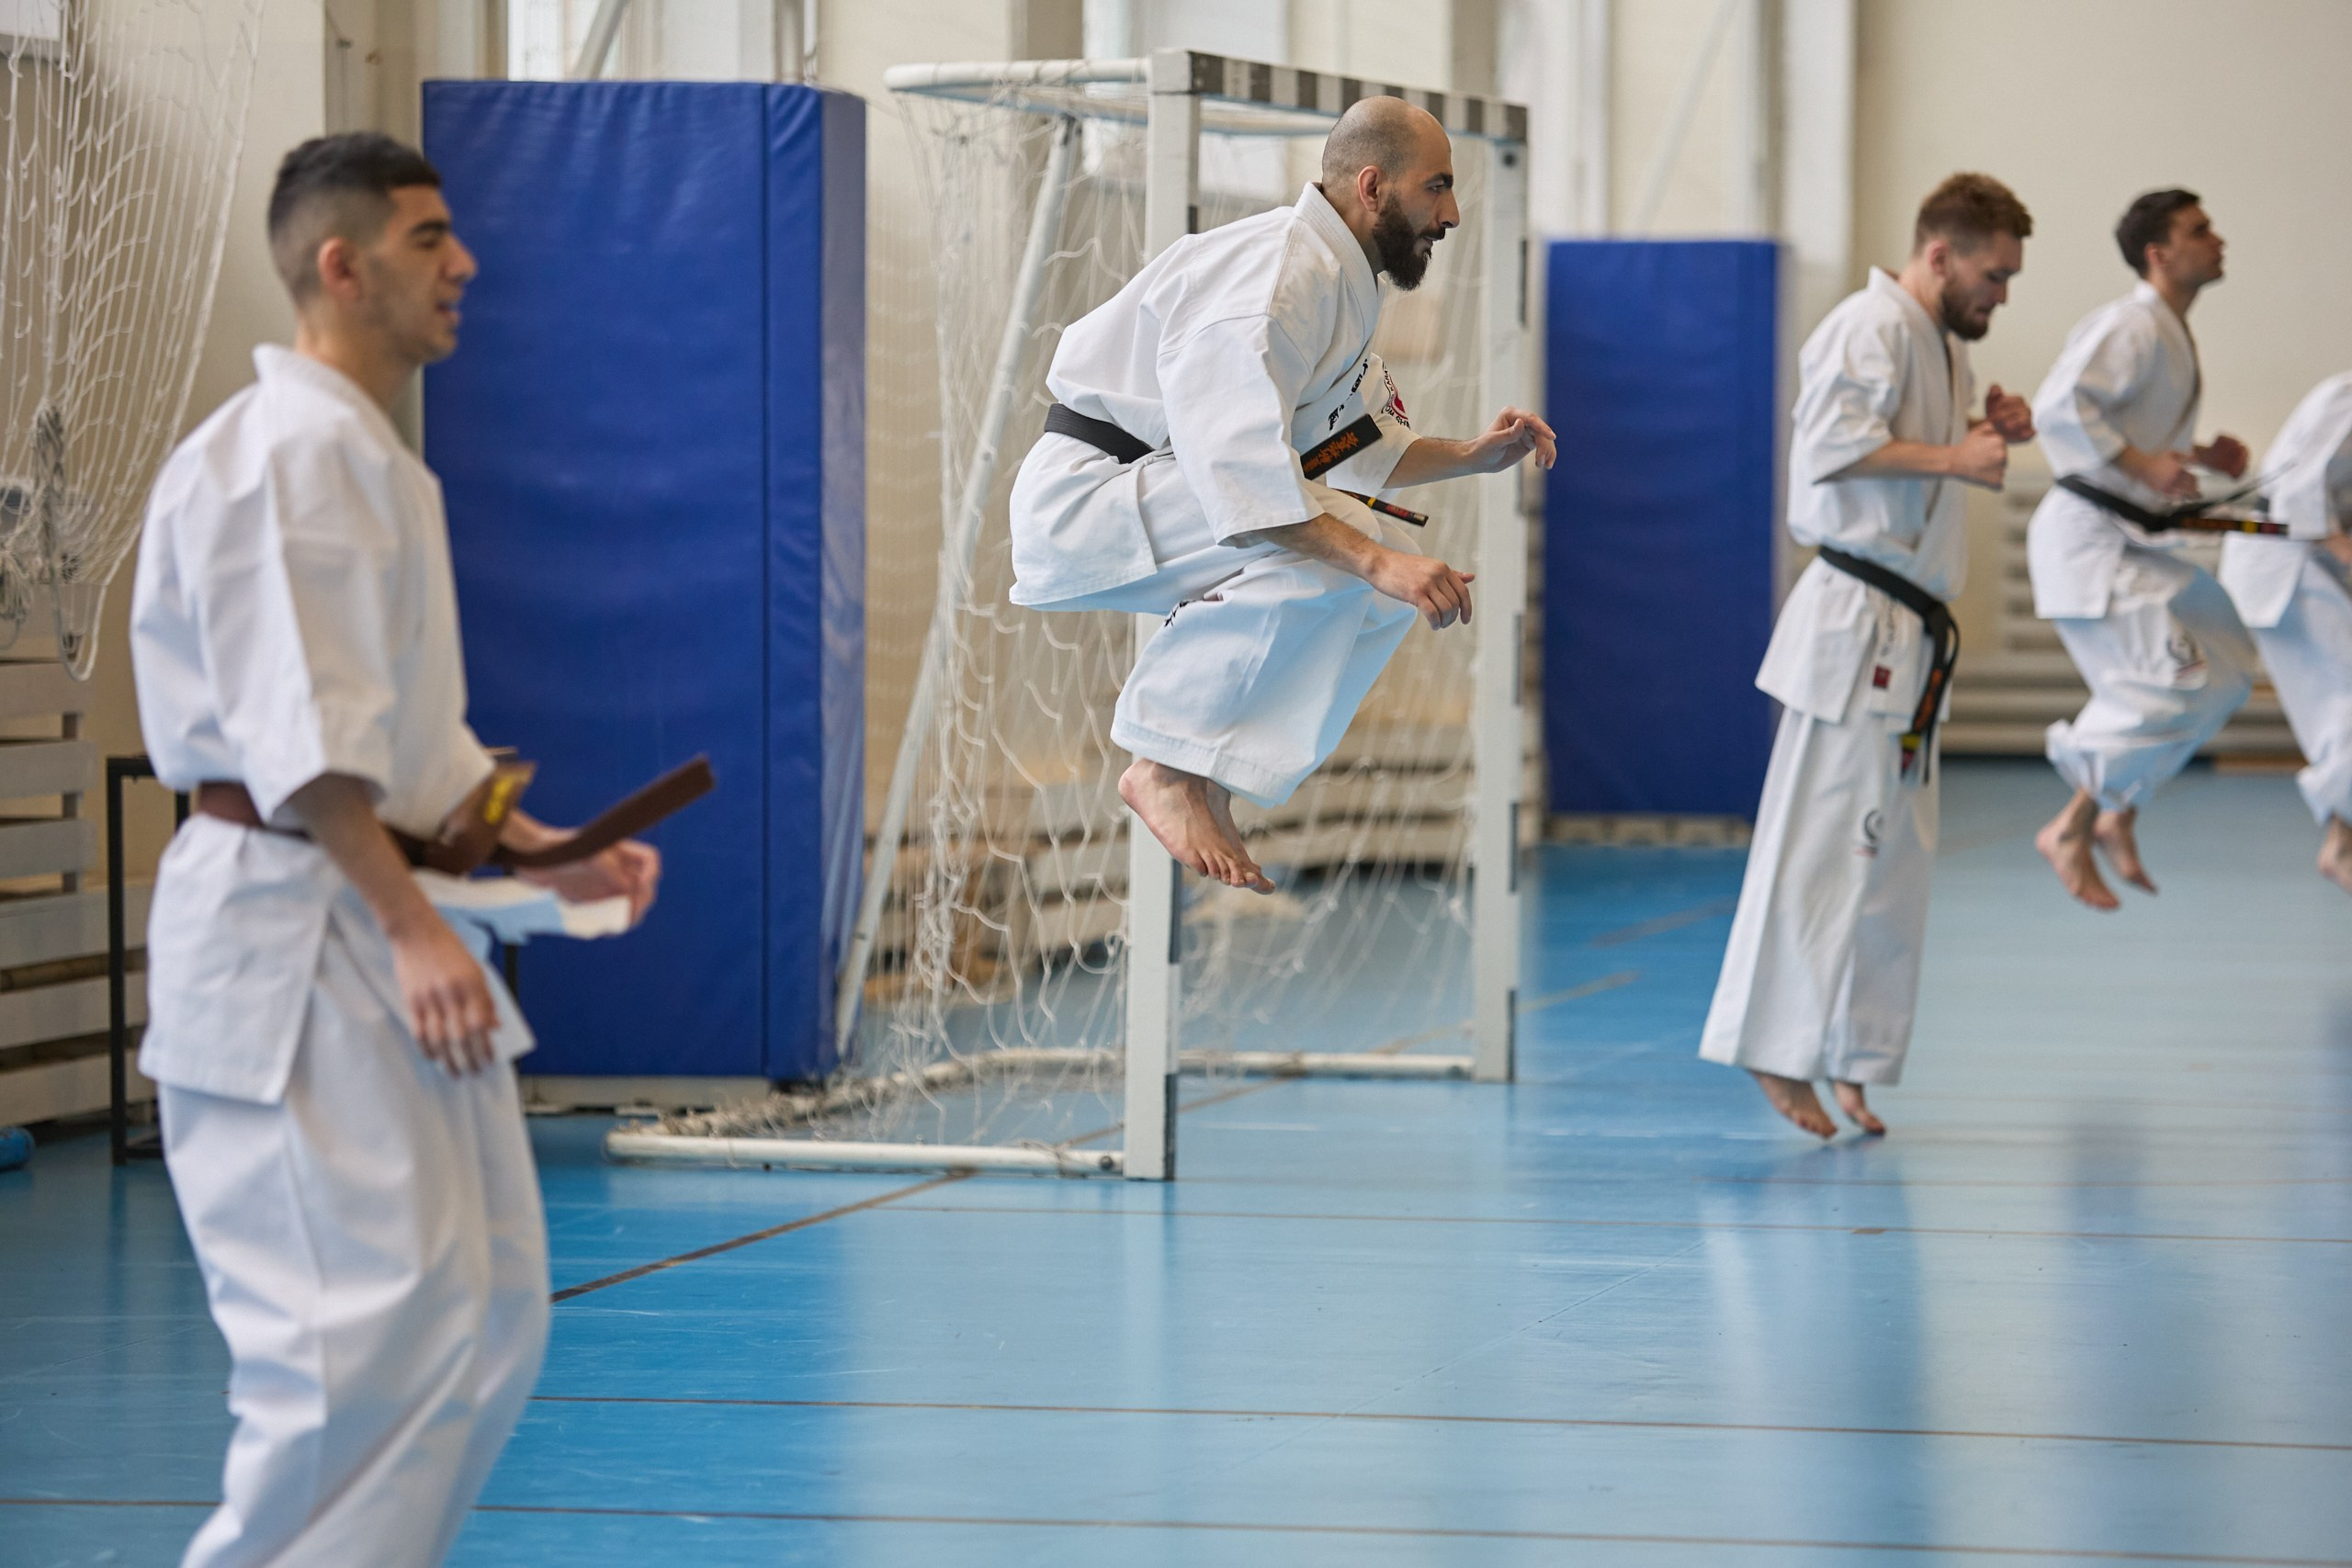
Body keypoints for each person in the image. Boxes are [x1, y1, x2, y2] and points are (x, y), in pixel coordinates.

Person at [131, 133, 662, 1568]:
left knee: (480, 1315)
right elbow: (302, 755)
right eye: (431, 239)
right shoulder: (285, 460)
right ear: (340, 263)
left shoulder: (368, 460)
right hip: (298, 943)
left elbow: (401, 745)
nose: (465, 262)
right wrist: (423, 925)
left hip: (378, 915)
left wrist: (537, 851)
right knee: (343, 1350)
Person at [1007, 96, 1555, 892]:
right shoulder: (1276, 277)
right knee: (1362, 560)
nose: (1453, 213)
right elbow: (1241, 479)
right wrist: (1375, 560)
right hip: (1094, 495)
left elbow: (1355, 446)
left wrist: (1475, 455)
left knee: (1374, 577)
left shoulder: (1341, 282)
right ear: (1372, 186)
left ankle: (1209, 772)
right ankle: (1163, 765)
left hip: (1160, 494)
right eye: (1436, 187)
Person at [1701, 174, 2036, 1138]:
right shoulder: (1869, 326)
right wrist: (1955, 458)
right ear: (1939, 254)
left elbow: (1920, 454)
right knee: (1820, 847)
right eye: (1994, 274)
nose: (2001, 295)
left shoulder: (1935, 341)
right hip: (1856, 627)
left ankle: (1854, 1054)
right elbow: (1828, 453)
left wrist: (1984, 433)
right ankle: (1774, 1047)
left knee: (1891, 861)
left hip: (1909, 635)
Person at [2029, 189, 2259, 908]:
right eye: (2199, 230)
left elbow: (2128, 428)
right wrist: (2143, 464)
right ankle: (2073, 825)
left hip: (2125, 543)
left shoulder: (2168, 331)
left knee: (2225, 664)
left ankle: (2120, 807)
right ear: (2158, 254)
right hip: (2087, 544)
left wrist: (2196, 454)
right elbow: (2060, 406)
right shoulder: (2131, 323)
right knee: (2168, 680)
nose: (2217, 239)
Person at [2217, 373, 2352, 893]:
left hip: (2316, 565)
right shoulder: (2344, 397)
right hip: (2282, 560)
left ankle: (2343, 834)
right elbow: (2299, 492)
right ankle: (2340, 840)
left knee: (2342, 703)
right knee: (2345, 698)